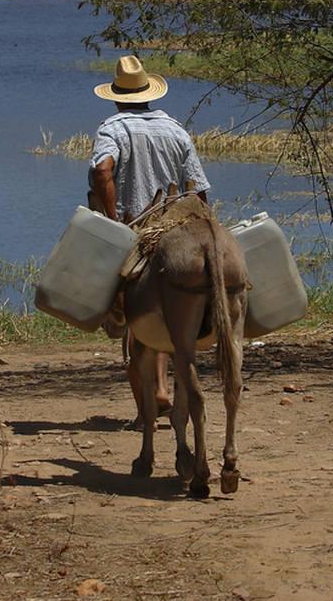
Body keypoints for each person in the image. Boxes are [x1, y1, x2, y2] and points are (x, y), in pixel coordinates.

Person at [88, 55, 211, 419]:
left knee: (134, 316)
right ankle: (164, 389)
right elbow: (199, 190)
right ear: (148, 93)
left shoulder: (112, 129)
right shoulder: (175, 129)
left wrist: (114, 221)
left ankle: (148, 408)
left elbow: (102, 171)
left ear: (116, 97)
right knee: (174, 317)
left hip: (138, 230)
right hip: (178, 231)